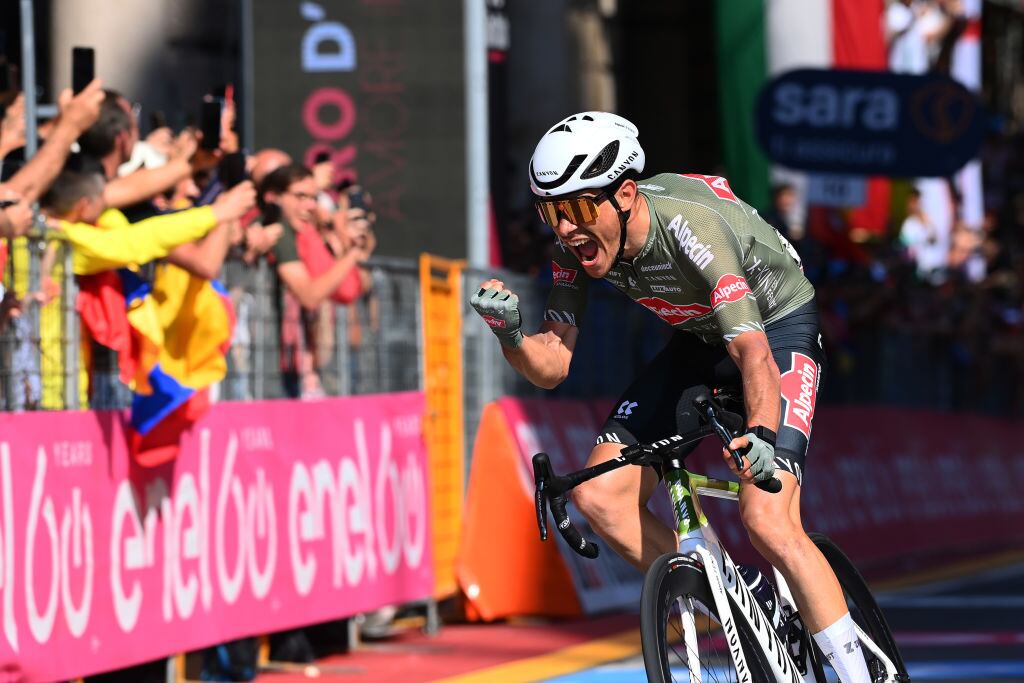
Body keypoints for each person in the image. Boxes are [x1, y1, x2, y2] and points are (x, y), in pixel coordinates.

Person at [470, 112, 871, 682]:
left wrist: (758, 432)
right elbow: (553, 365)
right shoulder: (576, 249)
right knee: (602, 497)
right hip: (701, 339)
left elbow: (753, 353)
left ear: (625, 194)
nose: (565, 228)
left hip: (776, 328)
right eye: (551, 212)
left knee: (768, 518)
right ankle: (737, 601)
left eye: (580, 208)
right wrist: (511, 336)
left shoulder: (692, 230)